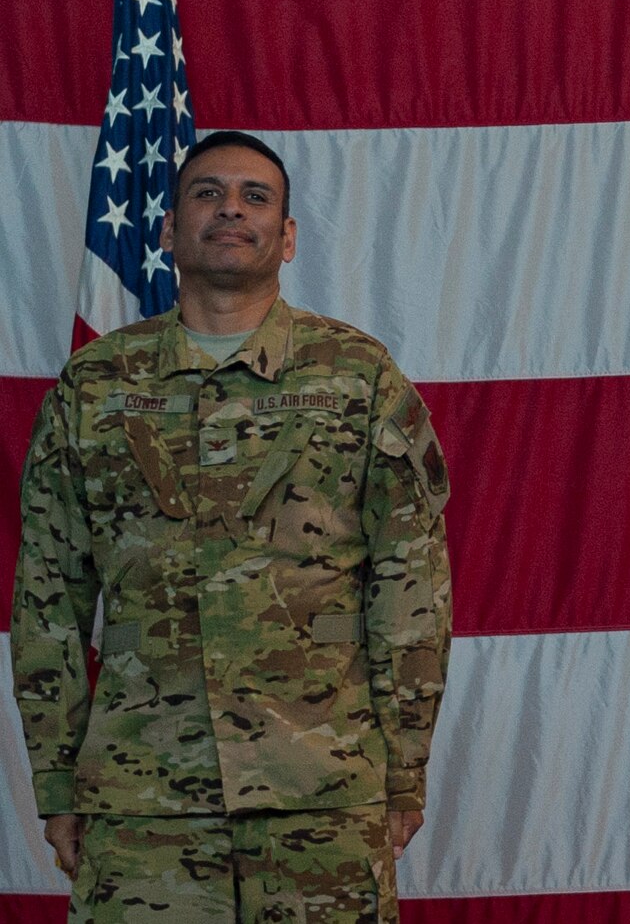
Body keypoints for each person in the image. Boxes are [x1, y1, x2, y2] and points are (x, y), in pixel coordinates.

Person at [12, 130, 452, 921]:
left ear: (286, 237)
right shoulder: (95, 386)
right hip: (142, 805)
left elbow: (410, 590)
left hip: (319, 796)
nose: (230, 210)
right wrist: (55, 779)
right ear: (169, 229)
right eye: (207, 193)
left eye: (256, 196)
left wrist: (402, 772)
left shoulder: (360, 379)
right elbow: (48, 599)